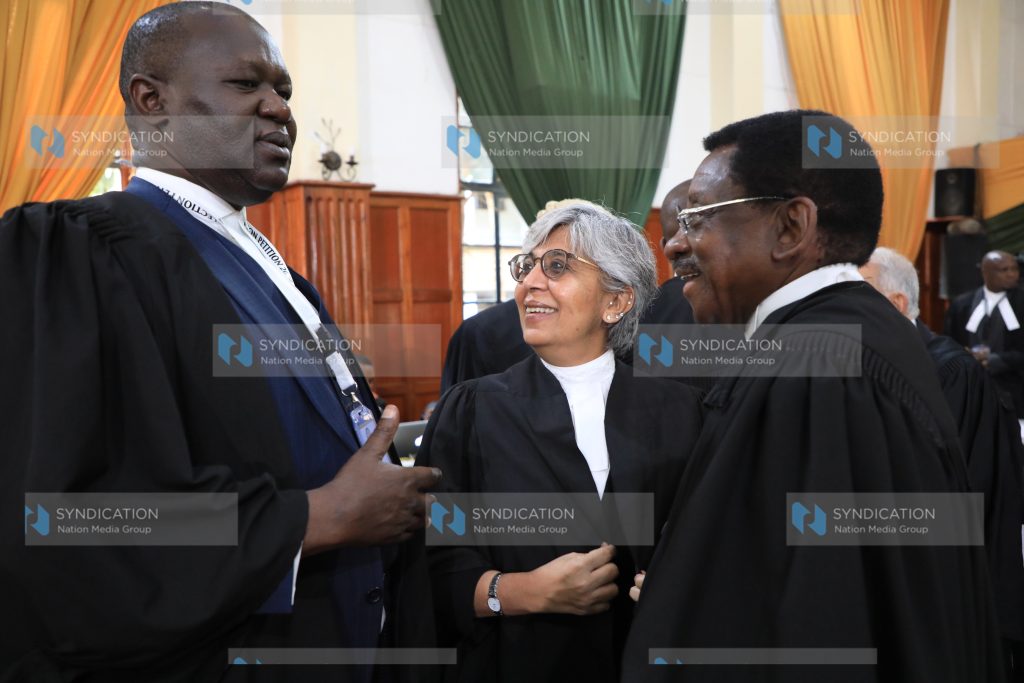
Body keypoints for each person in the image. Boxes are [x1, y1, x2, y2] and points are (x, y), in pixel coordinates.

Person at [0, 4, 440, 681]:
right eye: (246, 85)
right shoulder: (76, 252)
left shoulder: (279, 274)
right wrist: (313, 520)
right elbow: (65, 521)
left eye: (284, 91)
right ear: (153, 101)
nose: (278, 109)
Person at [622, 110, 1004, 682]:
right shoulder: (843, 338)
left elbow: (820, 618)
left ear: (791, 228)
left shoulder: (813, 374)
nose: (675, 243)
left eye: (698, 218)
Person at [416, 202, 703, 683]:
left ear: (616, 301)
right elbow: (429, 565)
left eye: (557, 267)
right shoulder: (471, 412)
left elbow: (706, 547)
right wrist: (521, 591)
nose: (529, 283)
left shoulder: (680, 412)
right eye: (526, 266)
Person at [862, 247, 1024, 679]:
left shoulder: (949, 373)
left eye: (859, 298)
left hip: (948, 583)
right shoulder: (875, 367)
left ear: (895, 305)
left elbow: (956, 493)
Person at [945, 250, 1024, 426]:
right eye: (1004, 270)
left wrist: (996, 360)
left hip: (1015, 390)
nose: (1012, 274)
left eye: (1014, 269)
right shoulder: (962, 304)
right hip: (971, 390)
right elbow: (948, 343)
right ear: (985, 272)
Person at [640, 180, 695, 327]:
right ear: (665, 246)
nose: (679, 244)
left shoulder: (654, 306)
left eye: (695, 227)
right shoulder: (657, 307)